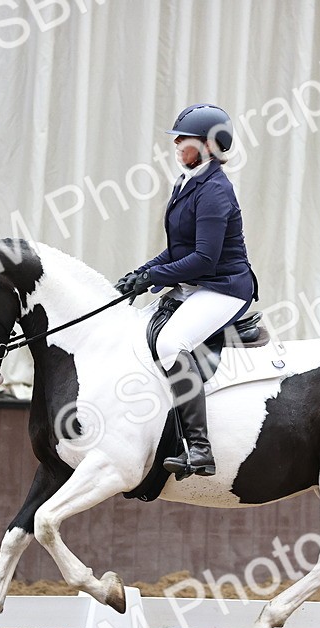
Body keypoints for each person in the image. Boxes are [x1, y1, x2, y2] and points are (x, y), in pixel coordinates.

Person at [115, 103, 259, 478]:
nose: (176, 143)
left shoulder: (215, 191)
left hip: (223, 288)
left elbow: (204, 260)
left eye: (185, 138)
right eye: (176, 138)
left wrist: (154, 277)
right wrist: (142, 272)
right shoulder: (189, 182)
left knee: (169, 344)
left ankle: (199, 448)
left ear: (210, 146)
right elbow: (179, 250)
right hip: (198, 284)